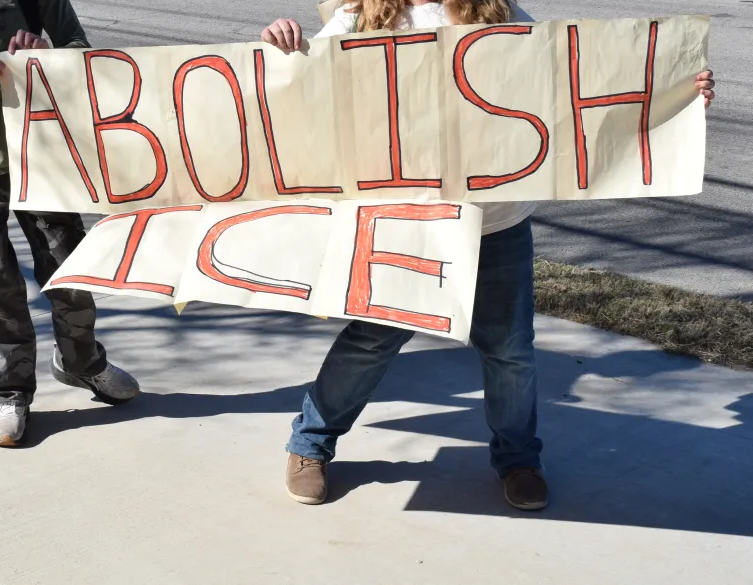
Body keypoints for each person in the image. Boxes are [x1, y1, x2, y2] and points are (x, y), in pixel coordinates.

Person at [261, 0, 717, 510]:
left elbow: (568, 84)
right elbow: (300, 95)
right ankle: (311, 446)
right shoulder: (361, 18)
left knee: (510, 354)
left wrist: (670, 93)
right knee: (371, 342)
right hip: (402, 224)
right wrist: (285, 49)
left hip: (495, 224)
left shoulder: (498, 12)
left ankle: (519, 459)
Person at [0, 0, 139, 448]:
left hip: (41, 153)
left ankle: (81, 362)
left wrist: (49, 55)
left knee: (69, 265)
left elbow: (81, 53)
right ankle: (12, 393)